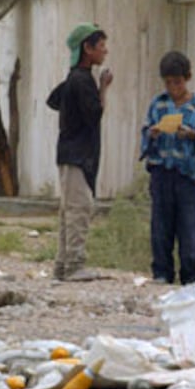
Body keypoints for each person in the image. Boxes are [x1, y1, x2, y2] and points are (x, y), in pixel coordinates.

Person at [140, 51, 195, 286]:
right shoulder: (159, 103)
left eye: (178, 82)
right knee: (161, 226)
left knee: (188, 228)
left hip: (187, 176)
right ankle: (161, 272)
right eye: (169, 83)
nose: (173, 88)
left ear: (188, 78)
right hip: (163, 173)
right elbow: (146, 131)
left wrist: (192, 134)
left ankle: (189, 277)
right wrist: (152, 133)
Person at [47, 23, 113, 281]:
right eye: (101, 46)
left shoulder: (72, 79)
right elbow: (95, 114)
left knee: (69, 209)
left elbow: (53, 100)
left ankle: (62, 265)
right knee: (79, 208)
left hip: (68, 153)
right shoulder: (82, 80)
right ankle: (74, 264)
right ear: (87, 48)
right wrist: (103, 88)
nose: (105, 51)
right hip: (78, 154)